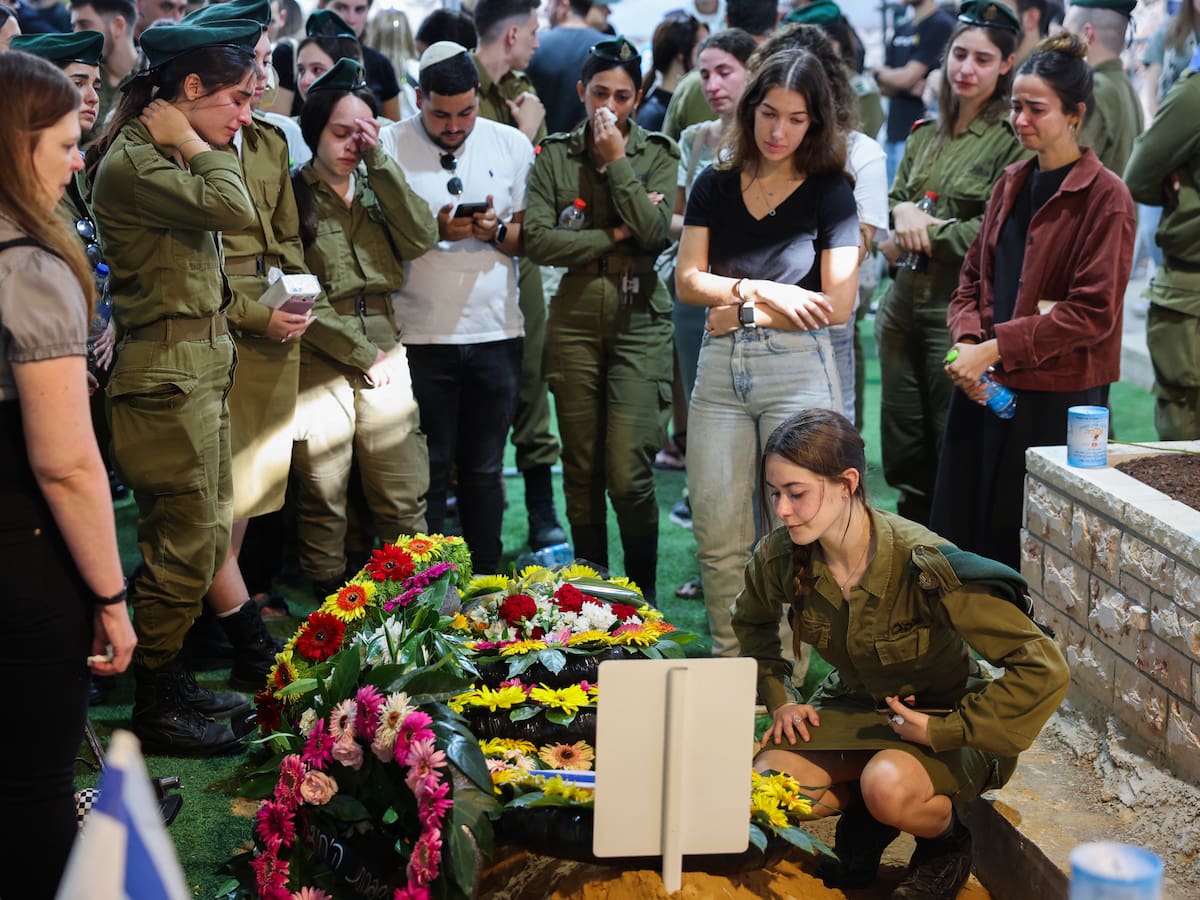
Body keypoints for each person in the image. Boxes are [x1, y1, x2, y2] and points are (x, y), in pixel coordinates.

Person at [735, 409, 1069, 899]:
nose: (782, 509)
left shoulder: (925, 565)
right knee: (771, 784)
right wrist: (781, 696)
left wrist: (944, 729)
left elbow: (1043, 667)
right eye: (775, 492)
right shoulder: (782, 555)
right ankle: (867, 821)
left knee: (886, 783)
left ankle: (945, 845)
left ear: (847, 483)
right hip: (856, 710)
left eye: (796, 493)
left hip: (944, 717)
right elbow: (752, 620)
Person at [91, 19, 262, 757]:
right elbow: (235, 207)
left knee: (199, 538)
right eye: (236, 99)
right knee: (184, 545)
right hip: (165, 379)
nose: (245, 117)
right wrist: (197, 144)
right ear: (188, 90)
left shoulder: (165, 151)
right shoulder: (136, 162)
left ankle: (173, 674)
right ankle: (157, 701)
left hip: (196, 367)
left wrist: (195, 141)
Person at [0, 50, 135, 900]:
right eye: (62, 144)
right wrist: (112, 598)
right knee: (32, 786)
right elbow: (67, 462)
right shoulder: (31, 267)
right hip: (21, 550)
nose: (79, 159)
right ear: (17, 149)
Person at [676, 47, 860, 654]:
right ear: (750, 109)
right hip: (721, 368)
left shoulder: (831, 191)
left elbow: (838, 303)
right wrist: (760, 288)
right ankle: (737, 667)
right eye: (770, 113)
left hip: (799, 366)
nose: (780, 131)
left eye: (797, 118)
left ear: (816, 123)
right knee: (717, 530)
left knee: (801, 527)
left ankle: (786, 668)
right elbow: (686, 280)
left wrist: (742, 303)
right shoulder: (714, 182)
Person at [932, 32, 1134, 568]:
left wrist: (993, 349)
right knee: (964, 535)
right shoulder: (1012, 180)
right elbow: (972, 277)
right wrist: (969, 342)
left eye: (1035, 109)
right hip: (984, 385)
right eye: (1016, 106)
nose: (1020, 119)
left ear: (1075, 114)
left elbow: (1092, 313)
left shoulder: (1107, 196)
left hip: (1054, 397)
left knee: (1034, 551)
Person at [525, 36, 679, 600]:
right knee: (583, 470)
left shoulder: (657, 152)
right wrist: (615, 234)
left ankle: (641, 604)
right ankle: (592, 611)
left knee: (629, 471)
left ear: (638, 98)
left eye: (621, 95)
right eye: (599, 93)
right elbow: (538, 240)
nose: (608, 107)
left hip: (640, 318)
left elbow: (657, 233)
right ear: (580, 92)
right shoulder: (556, 153)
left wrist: (617, 164)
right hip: (573, 320)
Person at [381, 42, 531, 575]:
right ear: (418, 98)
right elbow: (372, 241)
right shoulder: (387, 144)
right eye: (440, 113)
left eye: (466, 111)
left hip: (496, 332)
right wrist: (432, 232)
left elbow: (529, 237)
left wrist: (498, 232)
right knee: (431, 469)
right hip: (418, 335)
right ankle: (435, 590)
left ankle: (488, 584)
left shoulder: (511, 144)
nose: (454, 125)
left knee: (486, 470)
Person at [874, 0, 1025, 527]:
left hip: (954, 311)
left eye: (983, 59)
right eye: (959, 54)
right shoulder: (924, 133)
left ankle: (952, 560)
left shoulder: (1012, 140)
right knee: (901, 441)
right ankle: (910, 550)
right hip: (899, 308)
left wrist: (923, 232)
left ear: (1006, 65)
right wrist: (901, 213)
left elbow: (996, 232)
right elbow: (895, 201)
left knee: (951, 442)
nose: (966, 69)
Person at [291, 58, 437, 591]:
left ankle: (420, 608)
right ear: (314, 132)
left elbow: (421, 235)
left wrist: (380, 161)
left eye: (364, 132)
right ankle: (330, 611)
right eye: (341, 132)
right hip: (317, 351)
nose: (353, 142)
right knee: (324, 494)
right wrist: (363, 355)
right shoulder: (292, 195)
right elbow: (299, 292)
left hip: (383, 340)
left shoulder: (378, 186)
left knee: (402, 488)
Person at [472, 0, 569, 551]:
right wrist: (522, 134)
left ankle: (540, 511)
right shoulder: (458, 83)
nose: (538, 41)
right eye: (533, 32)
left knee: (531, 380)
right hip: (458, 260)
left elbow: (537, 190)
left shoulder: (522, 90)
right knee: (469, 389)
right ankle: (470, 508)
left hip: (520, 254)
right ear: (511, 34)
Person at [1124, 41, 1200, 440]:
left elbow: (1139, 176)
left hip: (1191, 291)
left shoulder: (1194, 94)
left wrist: (1180, 189)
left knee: (1185, 461)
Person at [660, 0, 778, 141]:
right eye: (705, 75)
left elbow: (665, 151)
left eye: (724, 73)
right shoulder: (784, 79)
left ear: (726, 19)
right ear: (777, 20)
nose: (713, 86)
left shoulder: (689, 85)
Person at [874, 0, 957, 183]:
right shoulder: (901, 27)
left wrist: (887, 75)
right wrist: (885, 75)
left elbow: (906, 78)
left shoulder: (941, 25)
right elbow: (882, 86)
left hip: (923, 136)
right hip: (892, 132)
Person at [1062, 0, 1142, 174]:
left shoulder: (1094, 90)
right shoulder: (1125, 85)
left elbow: (1070, 173)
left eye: (1066, 35)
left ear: (1087, 34)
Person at [526, 0, 606, 134]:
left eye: (550, 4)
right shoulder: (609, 49)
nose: (546, 10)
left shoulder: (535, 46)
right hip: (595, 148)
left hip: (542, 146)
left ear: (563, 5)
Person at [272, 9, 364, 119]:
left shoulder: (376, 131)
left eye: (317, 70)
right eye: (301, 70)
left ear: (347, 73)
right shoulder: (287, 130)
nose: (305, 81)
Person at [637, 10, 708, 132]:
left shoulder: (684, 103)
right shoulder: (654, 115)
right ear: (680, 54)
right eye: (702, 47)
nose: (708, 53)